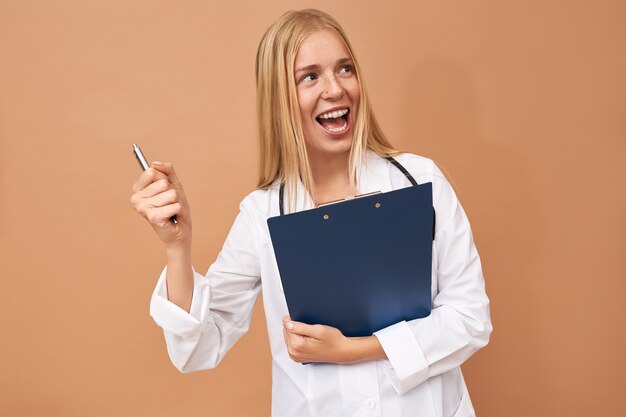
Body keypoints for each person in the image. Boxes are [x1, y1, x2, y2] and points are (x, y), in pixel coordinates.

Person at [130, 9, 492, 417]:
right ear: (279, 99)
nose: (335, 89)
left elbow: (470, 318)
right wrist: (178, 247)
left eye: (345, 69)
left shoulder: (419, 180)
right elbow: (197, 347)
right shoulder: (263, 213)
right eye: (310, 76)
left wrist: (355, 350)